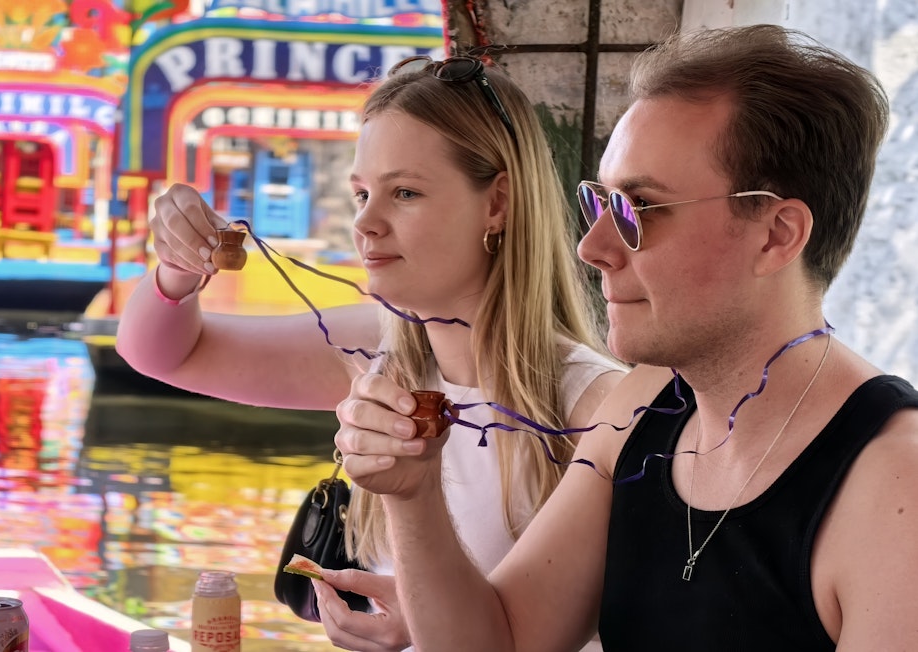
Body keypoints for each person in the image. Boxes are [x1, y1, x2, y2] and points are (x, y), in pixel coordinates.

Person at [324, 24, 918, 652]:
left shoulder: (893, 487)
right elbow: (500, 643)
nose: (593, 247)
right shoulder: (644, 404)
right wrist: (411, 492)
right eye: (600, 202)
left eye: (640, 208)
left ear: (775, 235)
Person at [114, 54, 624, 650]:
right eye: (361, 194)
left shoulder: (599, 407)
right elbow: (164, 354)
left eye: (404, 192)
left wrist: (427, 617)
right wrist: (176, 268)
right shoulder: (379, 349)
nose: (366, 224)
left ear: (497, 204)